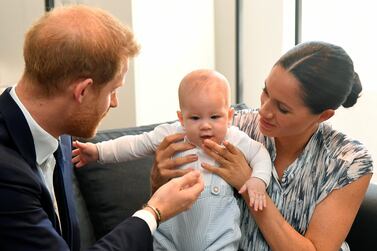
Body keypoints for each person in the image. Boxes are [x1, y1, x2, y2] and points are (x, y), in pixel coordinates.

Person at [0, 5, 204, 251]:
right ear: (83, 91)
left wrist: (155, 196)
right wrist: (154, 212)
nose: (115, 103)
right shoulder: (7, 173)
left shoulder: (60, 132)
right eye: (113, 91)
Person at [150, 41, 374, 251]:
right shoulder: (231, 128)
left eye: (282, 108)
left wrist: (249, 185)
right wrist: (158, 179)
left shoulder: (349, 162)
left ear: (323, 116)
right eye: (266, 91)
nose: (264, 111)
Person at [72, 69, 272, 250]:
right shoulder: (171, 134)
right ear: (181, 118)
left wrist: (257, 181)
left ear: (229, 116)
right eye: (195, 118)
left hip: (218, 241)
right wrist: (98, 151)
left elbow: (260, 154)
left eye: (214, 117)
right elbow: (135, 145)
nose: (205, 126)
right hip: (170, 240)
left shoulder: (234, 138)